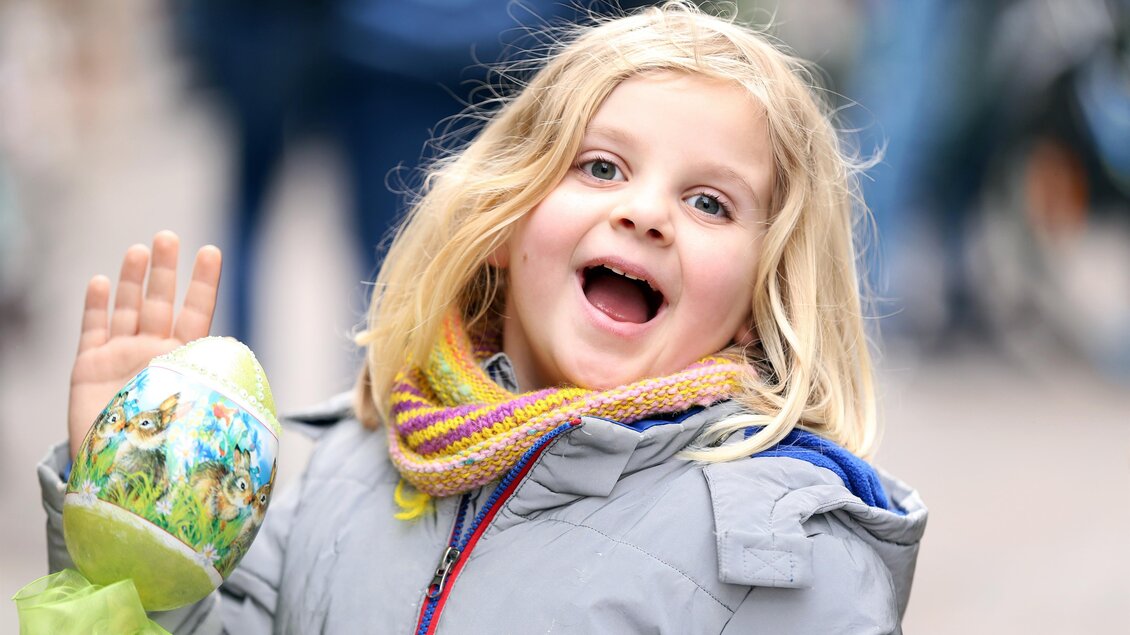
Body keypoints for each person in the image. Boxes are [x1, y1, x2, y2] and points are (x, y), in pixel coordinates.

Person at [39, 3, 927, 632]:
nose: (646, 212)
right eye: (603, 168)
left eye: (709, 202)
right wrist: (132, 509)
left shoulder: (775, 561)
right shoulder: (356, 466)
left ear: (762, 295)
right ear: (502, 224)